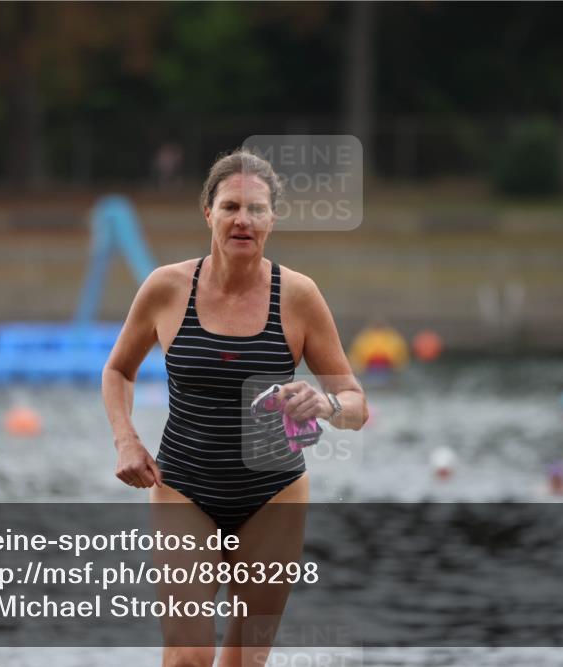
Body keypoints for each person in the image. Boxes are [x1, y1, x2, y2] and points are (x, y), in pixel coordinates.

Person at [102, 147, 368, 667]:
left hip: (274, 494)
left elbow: (357, 405)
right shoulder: (165, 288)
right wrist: (126, 439)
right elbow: (118, 371)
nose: (242, 219)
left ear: (272, 219)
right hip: (184, 486)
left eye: (256, 209)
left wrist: (325, 402)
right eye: (230, 207)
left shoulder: (298, 296)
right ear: (209, 213)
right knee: (188, 657)